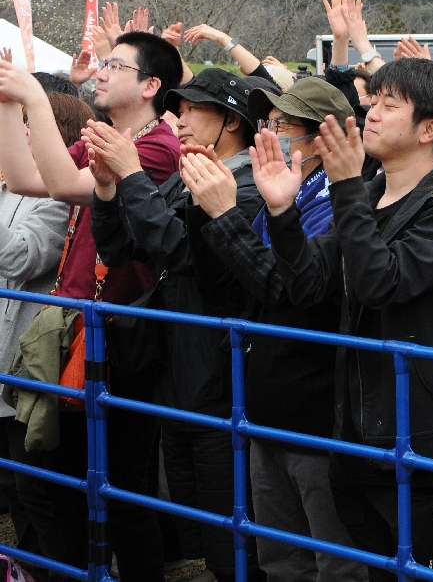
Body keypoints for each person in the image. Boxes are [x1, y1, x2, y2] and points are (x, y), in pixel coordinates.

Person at [254, 58, 433, 575]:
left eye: (390, 104)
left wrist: (345, 186)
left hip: (420, 438)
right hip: (356, 432)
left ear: (429, 129)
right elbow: (310, 284)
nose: (371, 112)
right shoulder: (372, 194)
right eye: (372, 99)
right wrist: (283, 214)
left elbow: (381, 282)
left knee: (423, 567)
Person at [0, 32, 183, 581]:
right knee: (49, 479)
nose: (100, 72)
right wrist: (10, 106)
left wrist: (33, 96)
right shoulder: (108, 134)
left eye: (114, 64)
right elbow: (26, 177)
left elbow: (60, 185)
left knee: (123, 493)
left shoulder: (156, 147)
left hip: (120, 337)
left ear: (151, 85)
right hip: (76, 330)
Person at [85, 67, 276, 582]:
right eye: (179, 108)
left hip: (218, 375)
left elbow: (180, 249)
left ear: (232, 120)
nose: (179, 119)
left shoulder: (250, 185)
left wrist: (131, 175)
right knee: (193, 515)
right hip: (173, 368)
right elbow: (120, 247)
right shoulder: (186, 175)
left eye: (193, 109)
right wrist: (106, 190)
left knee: (231, 532)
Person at [177, 77, 367, 582]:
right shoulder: (286, 189)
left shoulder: (341, 202)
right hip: (267, 406)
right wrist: (204, 208)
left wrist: (224, 211)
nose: (269, 133)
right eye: (268, 122)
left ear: (323, 139)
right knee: (279, 557)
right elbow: (225, 284)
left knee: (334, 560)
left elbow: (288, 293)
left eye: (283, 124)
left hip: (316, 414)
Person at [0, 94, 83, 563]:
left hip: (27, 363)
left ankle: (53, 569)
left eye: (25, 122)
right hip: (6, 361)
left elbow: (19, 258)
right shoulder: (11, 189)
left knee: (36, 489)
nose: (16, 133)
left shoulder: (54, 198)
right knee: (15, 488)